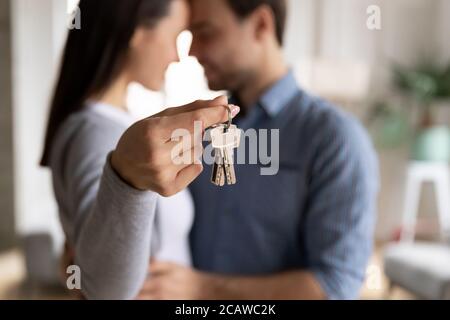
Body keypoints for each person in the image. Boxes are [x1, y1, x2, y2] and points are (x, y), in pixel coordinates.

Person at [138, 0, 379, 300]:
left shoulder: (334, 139)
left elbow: (335, 284)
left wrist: (203, 289)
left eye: (205, 32)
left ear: (261, 24)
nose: (192, 52)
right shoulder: (201, 127)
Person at [40, 0, 239, 300]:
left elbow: (90, 251)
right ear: (136, 31)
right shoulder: (96, 132)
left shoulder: (112, 123)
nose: (176, 57)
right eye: (176, 37)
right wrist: (127, 183)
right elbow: (106, 289)